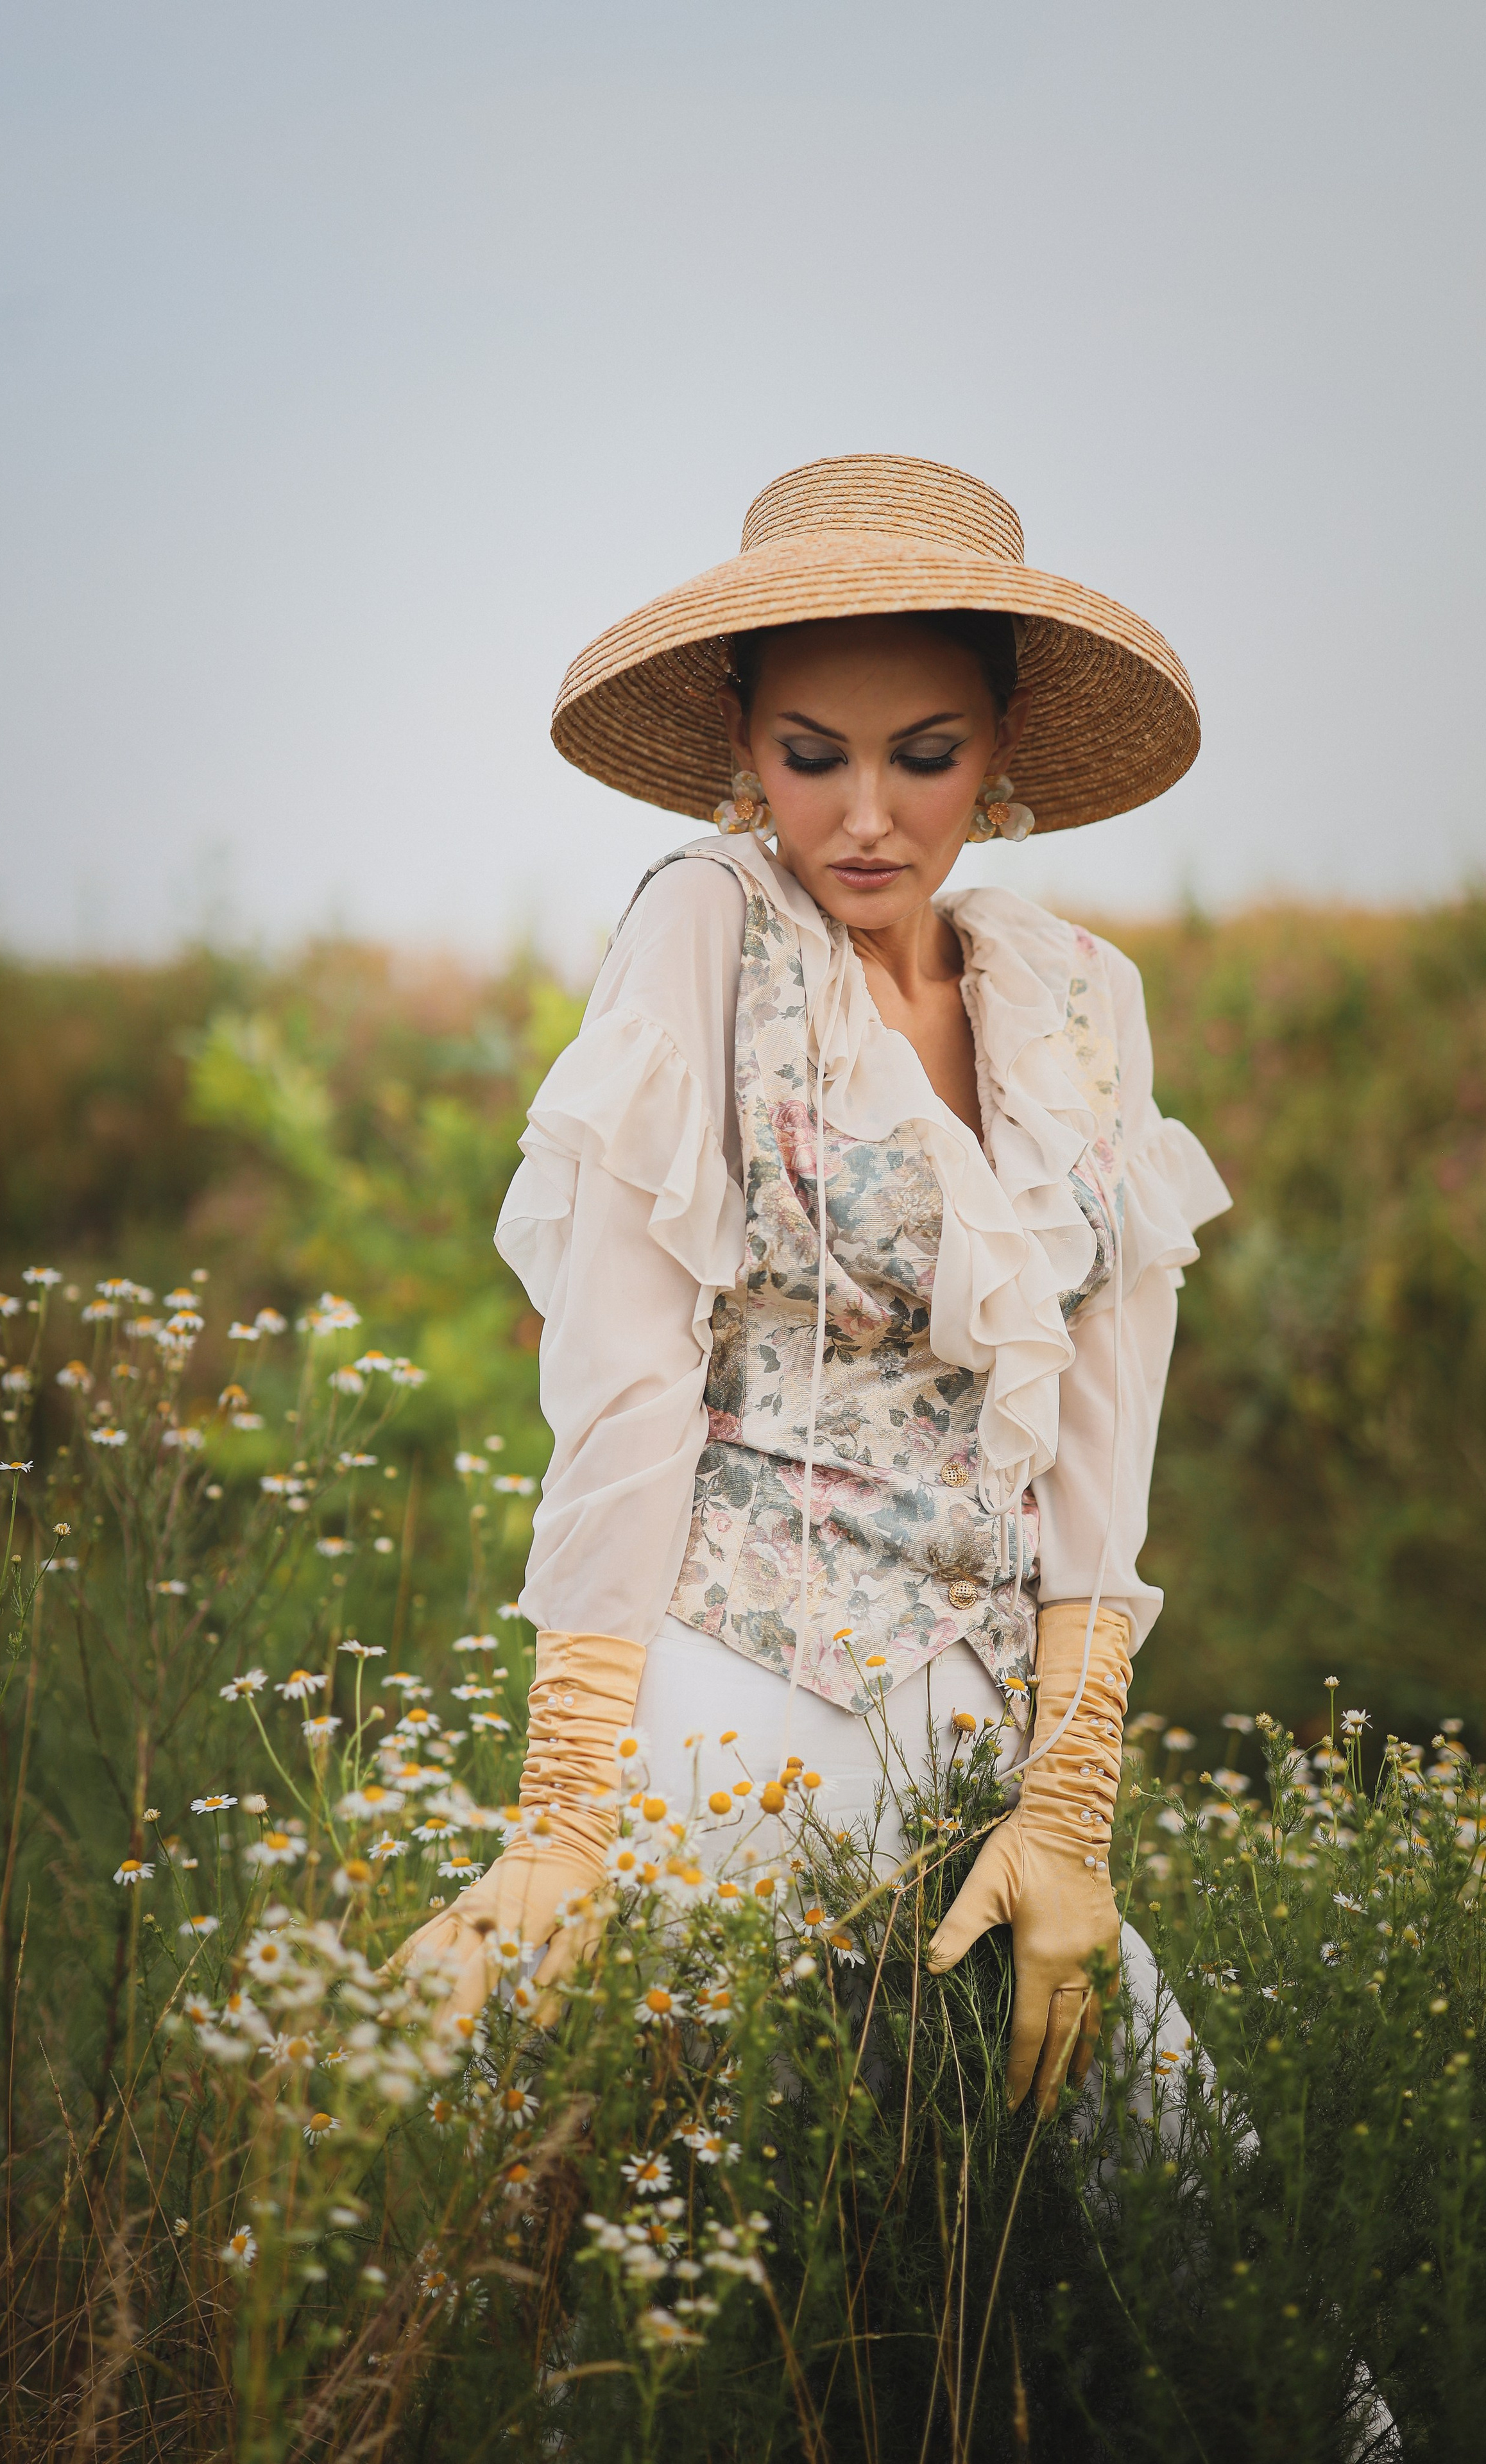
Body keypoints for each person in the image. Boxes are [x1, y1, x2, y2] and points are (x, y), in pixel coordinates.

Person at [398, 453, 1230, 2115]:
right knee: (684, 2195)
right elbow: (629, 1378)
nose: (864, 816)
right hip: (736, 1689)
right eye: (811, 755)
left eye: (924, 757)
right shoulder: (708, 925)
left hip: (991, 1729)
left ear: (1001, 745)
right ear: (739, 738)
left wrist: (1071, 1810)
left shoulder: (1081, 998)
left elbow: (1101, 1431)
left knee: (1174, 2188)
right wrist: (564, 1814)